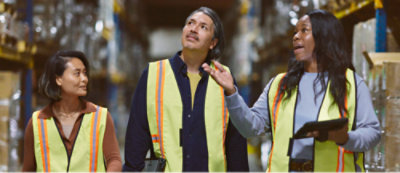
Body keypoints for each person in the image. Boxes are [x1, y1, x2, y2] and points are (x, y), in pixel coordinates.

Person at [203, 9, 381, 172]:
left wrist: (345, 138)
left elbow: (372, 133)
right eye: (296, 32)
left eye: (304, 30)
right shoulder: (280, 84)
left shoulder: (351, 84)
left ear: (324, 36)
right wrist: (232, 93)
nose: (296, 36)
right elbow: (250, 128)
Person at [123, 7, 249, 172]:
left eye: (203, 27)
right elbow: (137, 135)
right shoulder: (154, 73)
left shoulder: (223, 77)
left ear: (213, 42)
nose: (194, 29)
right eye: (190, 23)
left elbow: (236, 142)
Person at [22, 50, 122, 172]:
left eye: (85, 73)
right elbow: (28, 169)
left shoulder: (100, 117)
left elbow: (114, 159)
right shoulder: (37, 123)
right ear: (58, 79)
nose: (84, 79)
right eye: (77, 73)